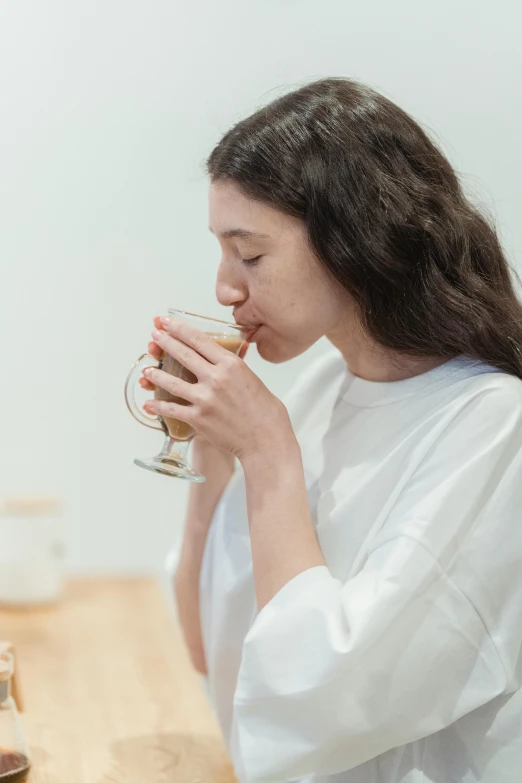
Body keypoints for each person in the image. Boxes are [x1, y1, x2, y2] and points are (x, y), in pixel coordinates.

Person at [139, 78, 522, 783]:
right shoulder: (323, 388)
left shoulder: (493, 424)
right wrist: (213, 453)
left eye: (249, 255)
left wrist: (265, 448)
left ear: (355, 239)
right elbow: (208, 648)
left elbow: (318, 704)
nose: (225, 287)